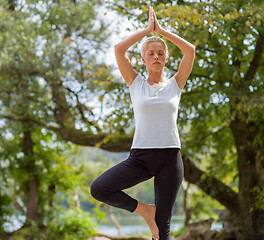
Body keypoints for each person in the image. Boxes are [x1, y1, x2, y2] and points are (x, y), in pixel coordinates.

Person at [90, 6, 195, 240]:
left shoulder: (175, 85)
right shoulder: (136, 84)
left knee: (162, 228)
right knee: (99, 188)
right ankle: (145, 210)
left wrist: (162, 31)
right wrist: (148, 30)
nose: (156, 57)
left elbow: (189, 51)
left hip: (170, 158)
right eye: (151, 53)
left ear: (167, 58)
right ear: (143, 59)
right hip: (141, 158)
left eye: (160, 53)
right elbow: (119, 49)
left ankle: (154, 216)